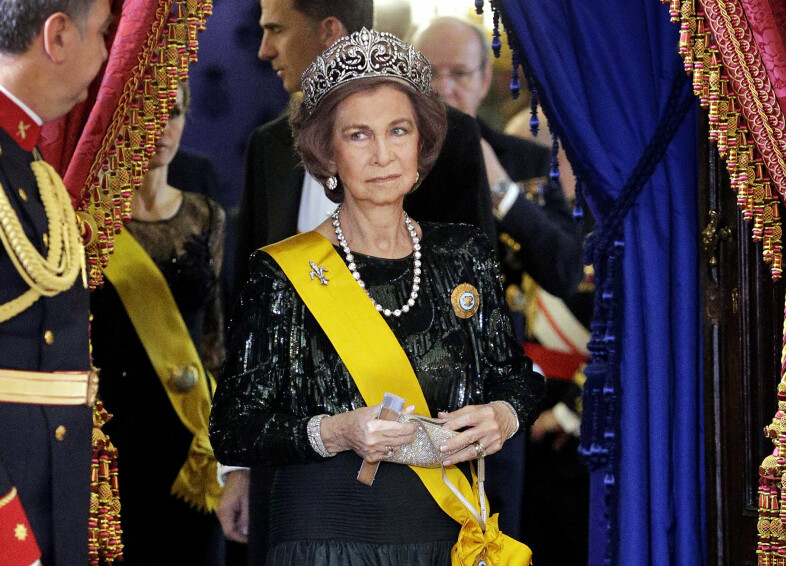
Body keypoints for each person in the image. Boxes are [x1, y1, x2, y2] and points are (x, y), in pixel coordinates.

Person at [210, 29, 543, 565]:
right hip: (325, 543)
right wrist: (338, 431)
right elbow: (233, 425)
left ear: (421, 143)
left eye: (399, 130)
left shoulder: (463, 256)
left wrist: (503, 414)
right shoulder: (283, 274)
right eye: (359, 135)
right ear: (328, 152)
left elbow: (515, 374)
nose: (383, 154)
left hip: (444, 541)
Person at [413, 16, 584, 537]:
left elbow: (564, 269)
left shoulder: (527, 161)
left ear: (485, 79)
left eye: (459, 73)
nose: (445, 89)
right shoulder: (388, 160)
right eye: (429, 73)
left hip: (496, 402)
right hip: (403, 395)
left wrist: (501, 188)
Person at [89, 81, 227, 565]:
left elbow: (215, 334)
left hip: (190, 433)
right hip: (117, 433)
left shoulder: (205, 214)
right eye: (151, 111)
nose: (162, 126)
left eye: (174, 111)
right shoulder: (92, 219)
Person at [0, 1, 111, 564]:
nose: (106, 55)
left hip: (52, 495)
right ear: (59, 36)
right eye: (103, 33)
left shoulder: (34, 169)